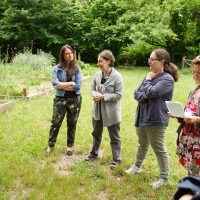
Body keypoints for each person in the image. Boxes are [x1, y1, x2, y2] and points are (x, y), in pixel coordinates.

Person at [125, 49, 179, 188]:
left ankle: (164, 179)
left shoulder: (167, 79)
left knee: (158, 148)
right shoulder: (149, 75)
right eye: (149, 58)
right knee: (142, 143)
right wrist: (145, 94)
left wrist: (148, 84)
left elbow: (153, 92)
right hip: (142, 115)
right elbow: (136, 93)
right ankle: (137, 166)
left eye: (152, 59)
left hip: (156, 119)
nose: (149, 61)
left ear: (162, 61)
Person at [84, 50, 123, 169]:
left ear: (108, 61)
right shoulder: (97, 75)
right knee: (96, 133)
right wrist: (94, 94)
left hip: (112, 113)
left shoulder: (117, 77)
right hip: (97, 110)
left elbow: (119, 95)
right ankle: (94, 153)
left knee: (114, 136)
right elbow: (92, 89)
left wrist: (103, 96)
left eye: (100, 61)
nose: (98, 64)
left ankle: (116, 159)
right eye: (98, 61)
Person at [46, 44, 82, 156]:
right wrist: (71, 83)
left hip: (74, 99)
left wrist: (62, 85)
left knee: (72, 123)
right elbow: (55, 84)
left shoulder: (77, 68)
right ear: (63, 55)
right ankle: (50, 145)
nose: (70, 55)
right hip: (60, 99)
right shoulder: (56, 69)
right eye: (67, 53)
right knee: (55, 122)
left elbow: (78, 86)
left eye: (71, 53)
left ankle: (69, 146)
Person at [169, 56, 200, 176]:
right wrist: (178, 115)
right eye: (194, 72)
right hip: (190, 140)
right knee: (192, 172)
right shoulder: (194, 91)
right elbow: (190, 112)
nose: (195, 75)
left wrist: (196, 119)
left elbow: (196, 117)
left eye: (199, 72)